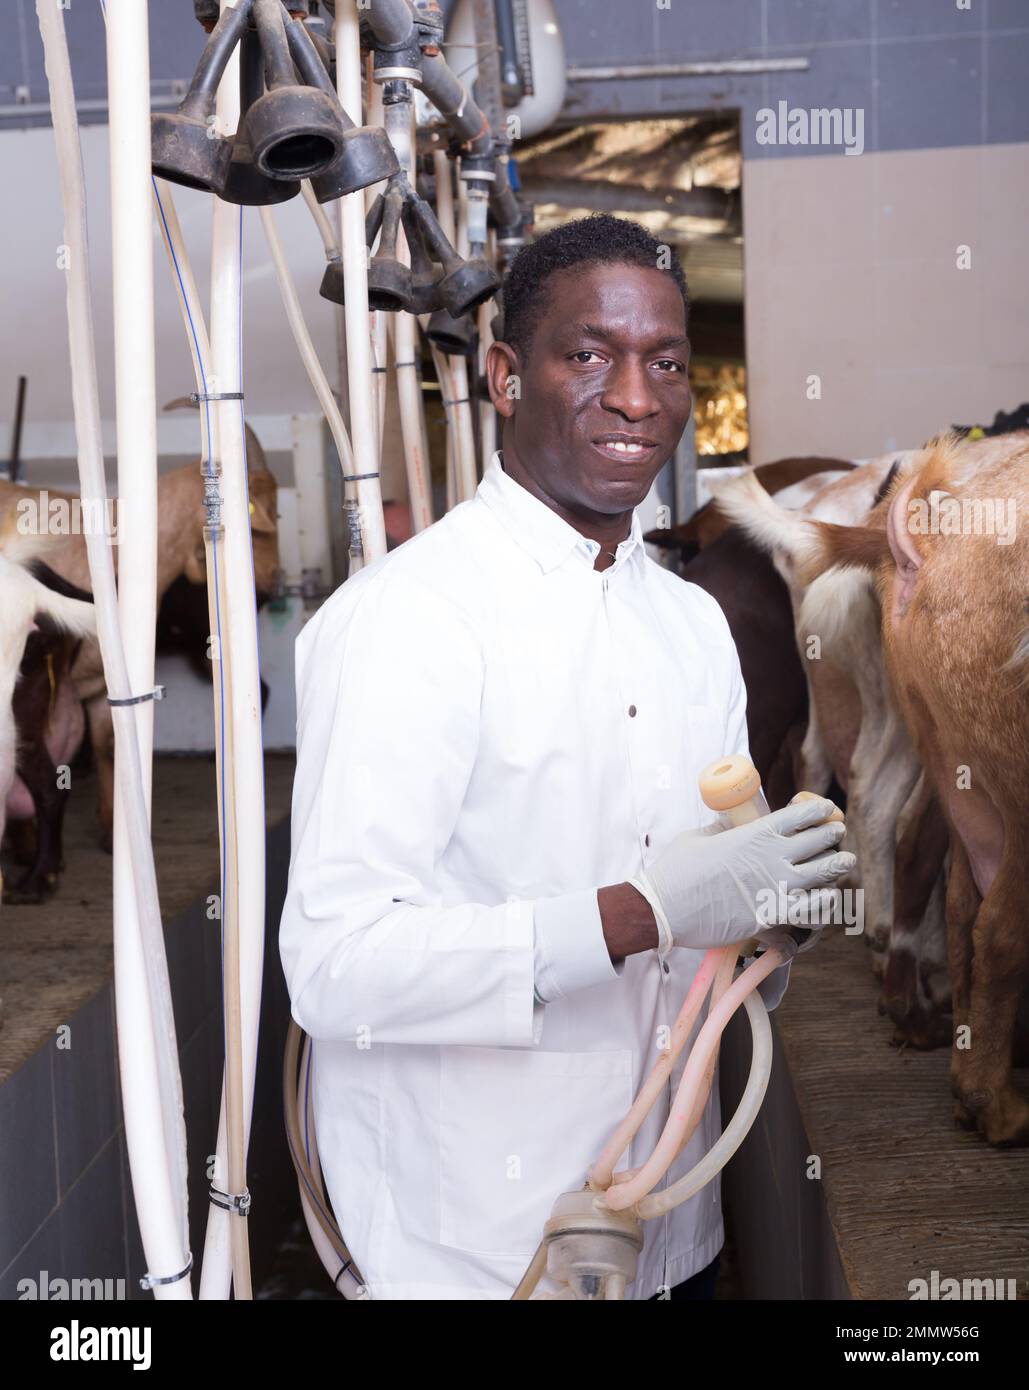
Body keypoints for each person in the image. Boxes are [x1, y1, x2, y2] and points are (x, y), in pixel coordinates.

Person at [278, 214, 854, 1300]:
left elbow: (710, 939)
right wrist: (640, 910)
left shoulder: (691, 628)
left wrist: (768, 917)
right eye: (590, 354)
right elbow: (336, 966)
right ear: (504, 375)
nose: (638, 397)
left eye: (667, 362)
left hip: (669, 1224)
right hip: (475, 1250)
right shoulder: (413, 620)